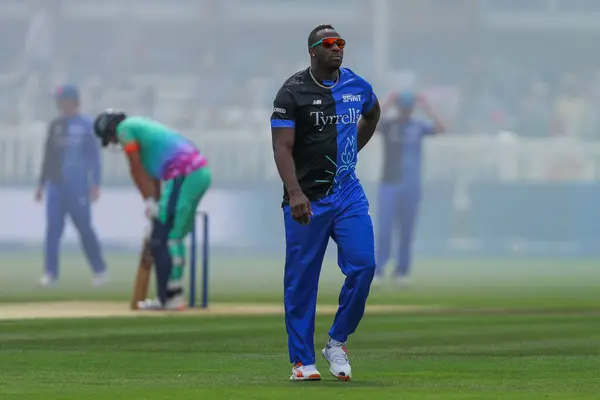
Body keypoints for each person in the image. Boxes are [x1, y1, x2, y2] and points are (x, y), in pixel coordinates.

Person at [270, 24, 381, 381]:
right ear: (313, 51)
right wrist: (296, 192)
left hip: (347, 192)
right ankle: (302, 362)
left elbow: (373, 114)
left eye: (341, 43)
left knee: (364, 265)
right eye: (329, 44)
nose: (337, 48)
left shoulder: (356, 85)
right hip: (307, 199)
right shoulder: (291, 93)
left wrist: (350, 152)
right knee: (302, 281)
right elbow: (282, 147)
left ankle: (336, 342)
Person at [93, 110, 211, 310]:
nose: (115, 142)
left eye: (110, 138)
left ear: (111, 128)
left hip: (184, 172)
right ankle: (173, 296)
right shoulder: (143, 132)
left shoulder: (125, 128)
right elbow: (153, 178)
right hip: (195, 172)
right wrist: (154, 207)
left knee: (163, 237)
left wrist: (149, 202)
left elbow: (135, 169)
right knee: (171, 234)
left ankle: (170, 298)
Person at [36, 84, 107, 287]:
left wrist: (95, 184)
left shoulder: (86, 125)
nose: (59, 104)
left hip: (78, 186)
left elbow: (94, 158)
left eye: (62, 100)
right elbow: (48, 157)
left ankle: (99, 270)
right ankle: (50, 273)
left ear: (72, 101)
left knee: (84, 228)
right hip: (56, 186)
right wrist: (41, 184)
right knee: (53, 230)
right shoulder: (56, 125)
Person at [373, 91, 446, 285]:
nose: (405, 111)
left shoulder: (419, 126)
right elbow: (365, 124)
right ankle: (379, 270)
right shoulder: (388, 125)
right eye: (403, 107)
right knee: (385, 229)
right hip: (389, 182)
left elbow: (442, 128)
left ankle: (401, 271)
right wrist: (387, 101)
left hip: (411, 185)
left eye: (408, 107)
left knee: (406, 230)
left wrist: (427, 108)